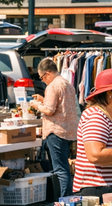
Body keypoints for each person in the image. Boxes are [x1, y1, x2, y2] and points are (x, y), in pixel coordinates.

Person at [30, 58, 78, 197]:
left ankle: (64, 200)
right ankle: (66, 198)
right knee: (64, 167)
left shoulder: (52, 86)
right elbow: (60, 106)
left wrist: (36, 105)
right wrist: (43, 100)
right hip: (68, 130)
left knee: (60, 169)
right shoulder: (67, 84)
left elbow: (50, 110)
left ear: (48, 73)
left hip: (56, 131)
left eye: (42, 77)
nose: (43, 80)